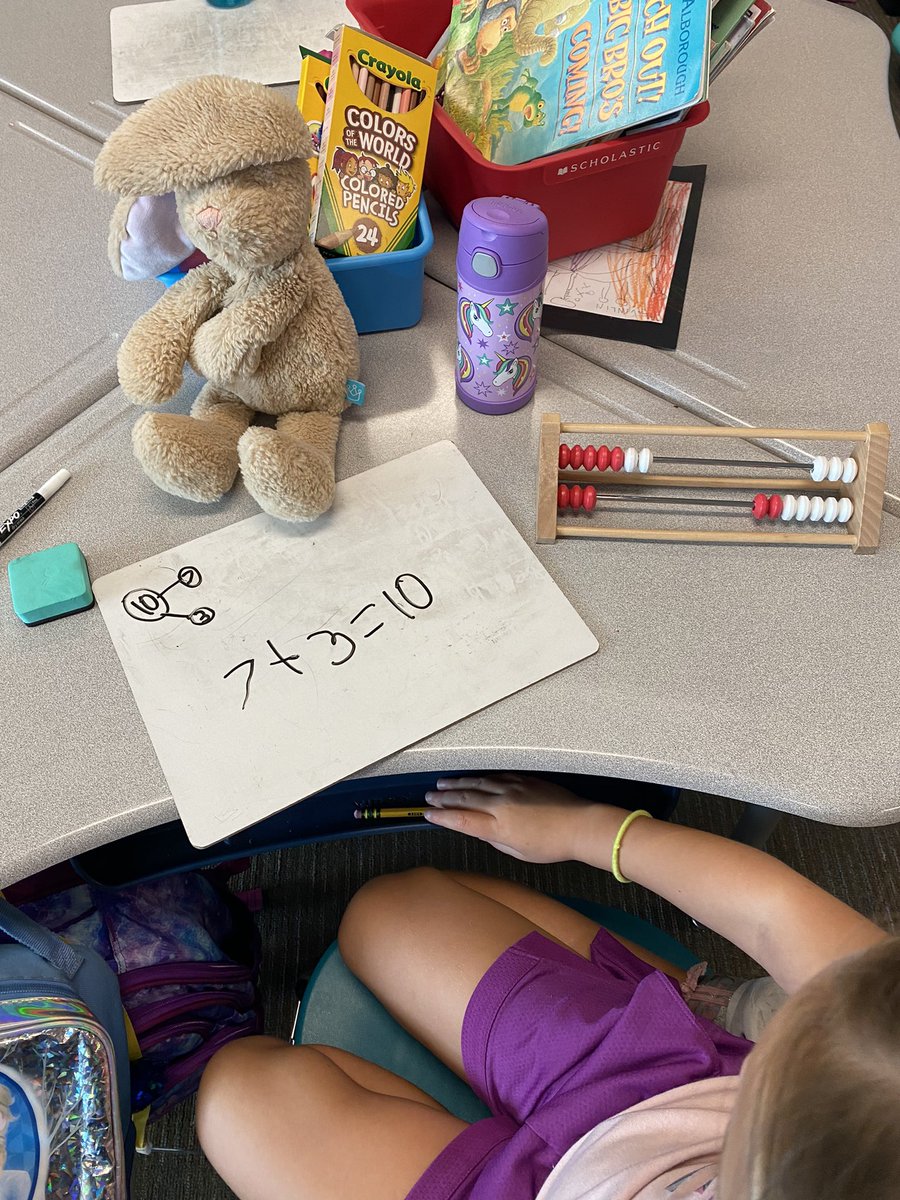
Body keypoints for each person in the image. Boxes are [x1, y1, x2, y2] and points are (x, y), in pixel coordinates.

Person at [196, 774, 896, 1200]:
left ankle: (512, 1113)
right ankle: (647, 997)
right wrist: (584, 829)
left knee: (236, 1093)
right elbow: (776, 913)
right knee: (386, 912)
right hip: (661, 1090)